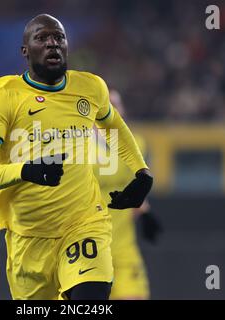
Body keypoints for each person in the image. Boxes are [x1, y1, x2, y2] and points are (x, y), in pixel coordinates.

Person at [0, 14, 153, 300]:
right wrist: (26, 171)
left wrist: (142, 172)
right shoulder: (2, 96)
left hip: (83, 224)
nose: (53, 44)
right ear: (25, 51)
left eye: (59, 38)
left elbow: (115, 127)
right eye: (42, 38)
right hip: (29, 238)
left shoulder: (90, 88)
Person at [94, 89, 162, 300]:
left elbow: (133, 188)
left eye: (117, 104)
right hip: (90, 251)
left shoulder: (137, 145)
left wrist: (144, 213)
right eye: (107, 105)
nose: (113, 110)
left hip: (123, 248)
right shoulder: (79, 150)